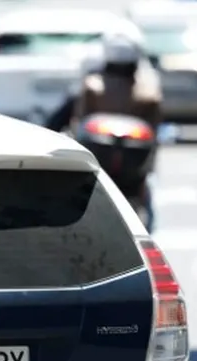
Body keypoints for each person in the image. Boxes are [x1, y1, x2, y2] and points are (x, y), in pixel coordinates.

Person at [73, 34, 163, 229]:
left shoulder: (146, 94)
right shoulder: (94, 88)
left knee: (148, 191)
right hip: (94, 169)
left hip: (128, 176)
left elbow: (154, 136)